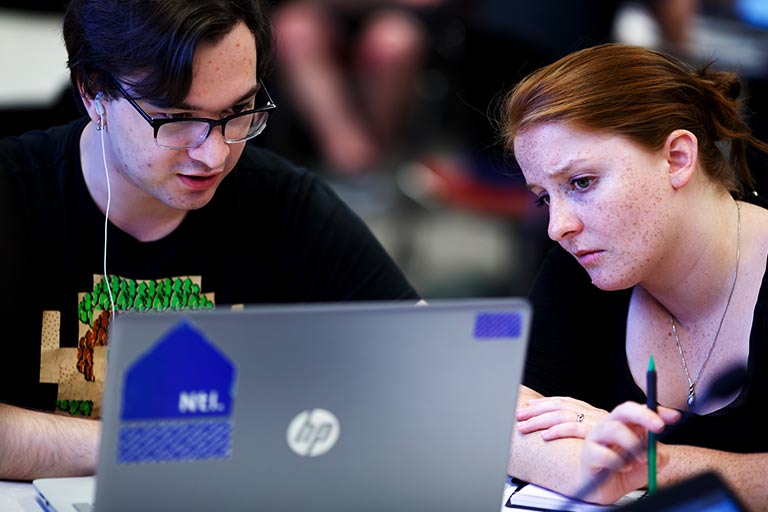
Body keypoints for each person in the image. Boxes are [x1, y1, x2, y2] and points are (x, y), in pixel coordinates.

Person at [0, 0, 420, 481]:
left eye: (239, 112)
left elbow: (437, 362)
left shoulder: (284, 204)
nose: (214, 155)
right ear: (93, 92)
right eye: (176, 118)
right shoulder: (14, 195)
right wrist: (155, 444)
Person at [498, 43, 768, 510]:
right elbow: (497, 417)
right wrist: (586, 471)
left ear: (678, 158)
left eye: (581, 183)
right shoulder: (580, 261)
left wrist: (653, 467)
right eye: (544, 197)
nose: (557, 226)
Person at [270, 0, 445, 175]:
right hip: (321, 8)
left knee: (389, 46)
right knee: (292, 35)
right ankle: (353, 162)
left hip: (392, 10)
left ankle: (377, 160)